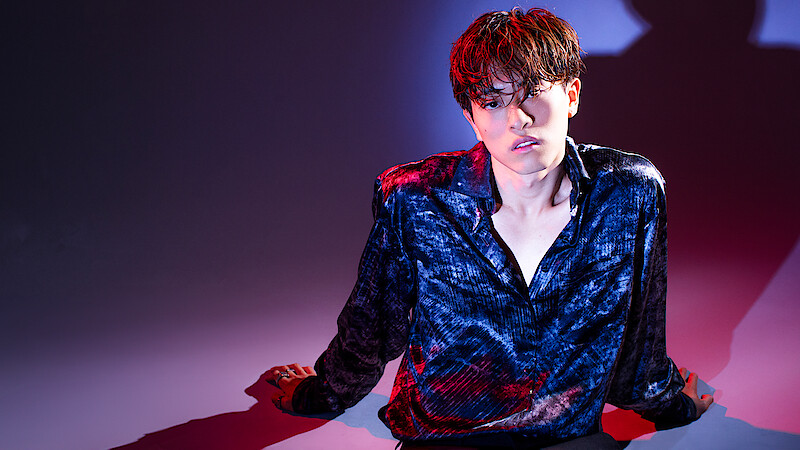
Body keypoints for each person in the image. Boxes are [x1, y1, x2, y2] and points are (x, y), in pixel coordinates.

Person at [254, 8, 713, 449]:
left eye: (532, 91)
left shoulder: (629, 193)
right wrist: (322, 393)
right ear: (471, 118)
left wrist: (672, 403)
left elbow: (640, 336)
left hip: (565, 436)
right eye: (493, 102)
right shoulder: (417, 198)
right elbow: (372, 327)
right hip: (444, 435)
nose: (519, 119)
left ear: (572, 94)